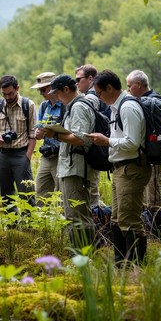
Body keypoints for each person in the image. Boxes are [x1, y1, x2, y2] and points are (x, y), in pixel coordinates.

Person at [87, 70, 152, 266]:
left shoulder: (128, 107)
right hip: (120, 169)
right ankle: (121, 263)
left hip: (132, 168)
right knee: (117, 218)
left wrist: (107, 141)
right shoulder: (117, 107)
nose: (99, 98)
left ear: (109, 88)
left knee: (129, 219)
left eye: (99, 93)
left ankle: (136, 265)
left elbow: (132, 142)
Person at [39, 74, 96, 249]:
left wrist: (55, 134)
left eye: (57, 93)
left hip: (76, 167)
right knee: (72, 213)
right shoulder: (72, 106)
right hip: (70, 166)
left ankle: (82, 257)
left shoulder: (78, 107)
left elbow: (81, 139)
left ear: (66, 89)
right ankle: (79, 254)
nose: (55, 97)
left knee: (77, 215)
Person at [126, 69, 161, 241]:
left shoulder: (153, 102)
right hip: (145, 158)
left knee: (155, 197)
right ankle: (151, 235)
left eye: (129, 86)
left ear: (138, 84)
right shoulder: (144, 102)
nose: (128, 89)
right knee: (145, 197)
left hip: (155, 158)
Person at [0, 75, 37, 218]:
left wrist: (28, 156)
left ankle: (29, 227)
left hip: (21, 154)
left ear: (17, 88)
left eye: (11, 93)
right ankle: (12, 226)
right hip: (2, 154)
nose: (8, 97)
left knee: (26, 194)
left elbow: (33, 134)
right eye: (4, 94)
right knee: (5, 195)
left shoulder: (28, 105)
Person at [75, 64, 107, 209]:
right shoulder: (101, 94)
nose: (76, 84)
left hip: (95, 148)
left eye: (78, 79)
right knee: (93, 190)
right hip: (101, 147)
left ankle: (97, 225)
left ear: (90, 78)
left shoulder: (91, 97)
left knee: (92, 193)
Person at [32, 72, 65, 201]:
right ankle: (41, 219)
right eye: (40, 90)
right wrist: (38, 134)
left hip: (61, 156)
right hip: (46, 156)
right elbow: (38, 132)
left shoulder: (65, 106)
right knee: (41, 191)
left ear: (53, 87)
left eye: (43, 89)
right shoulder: (44, 106)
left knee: (61, 194)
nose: (41, 93)